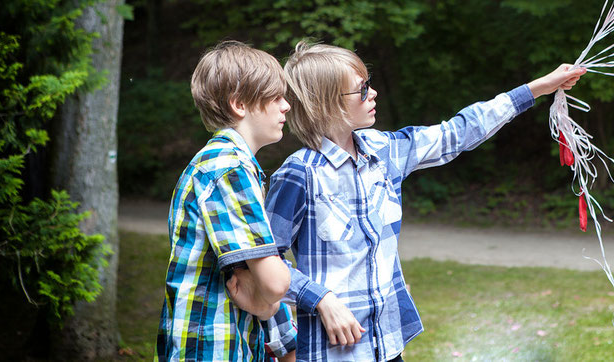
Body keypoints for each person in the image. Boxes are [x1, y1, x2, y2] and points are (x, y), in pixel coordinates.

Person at [264, 40, 585, 361]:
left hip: (387, 346)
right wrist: (319, 302)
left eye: (370, 85)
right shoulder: (299, 174)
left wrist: (538, 88)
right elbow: (264, 263)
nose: (372, 94)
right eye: (361, 90)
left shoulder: (385, 151)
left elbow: (459, 131)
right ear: (328, 104)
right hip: (330, 352)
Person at [157, 41, 298, 361]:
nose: (286, 106)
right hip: (213, 350)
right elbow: (274, 283)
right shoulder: (228, 169)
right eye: (275, 97)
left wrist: (267, 301)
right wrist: (271, 300)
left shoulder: (222, 163)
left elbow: (258, 281)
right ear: (239, 104)